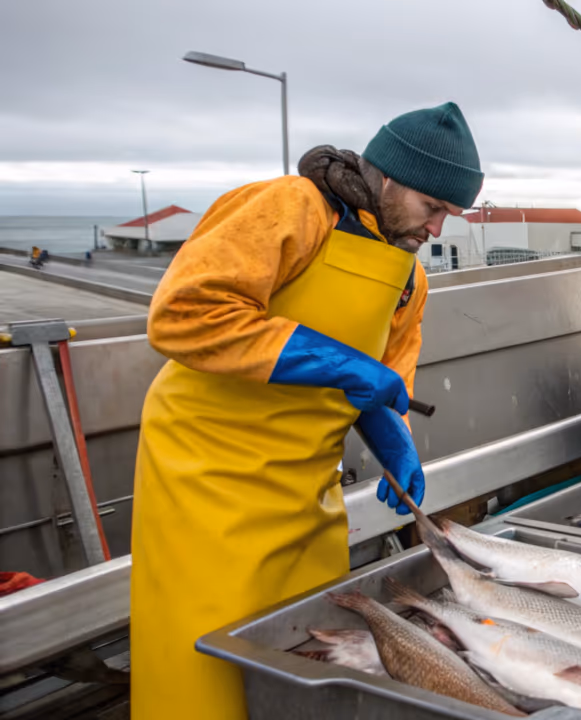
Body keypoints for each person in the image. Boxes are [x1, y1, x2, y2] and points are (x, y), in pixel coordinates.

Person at [129, 103, 483, 719]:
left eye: (449, 214)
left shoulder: (409, 278)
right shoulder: (291, 208)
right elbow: (183, 312)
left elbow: (386, 380)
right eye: (432, 207)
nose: (436, 229)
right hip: (205, 474)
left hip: (307, 487)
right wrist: (339, 363)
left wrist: (394, 439)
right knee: (205, 664)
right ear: (388, 177)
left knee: (309, 645)